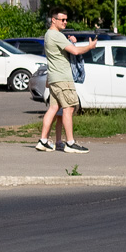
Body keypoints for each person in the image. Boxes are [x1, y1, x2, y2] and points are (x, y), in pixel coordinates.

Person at [36, 9, 97, 153]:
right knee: (69, 108)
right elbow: (75, 51)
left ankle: (43, 141)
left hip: (54, 77)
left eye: (66, 19)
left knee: (54, 108)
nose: (65, 22)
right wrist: (89, 47)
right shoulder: (55, 35)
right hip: (62, 78)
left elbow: (62, 50)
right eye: (62, 19)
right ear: (53, 20)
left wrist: (70, 41)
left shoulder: (49, 35)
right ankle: (70, 143)